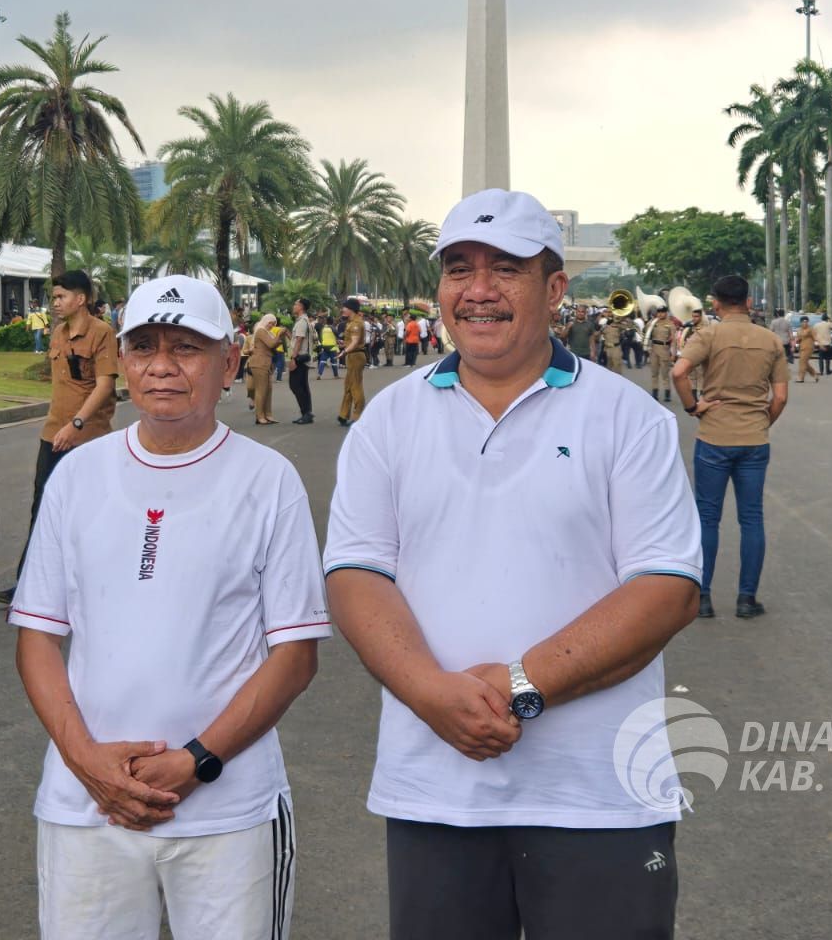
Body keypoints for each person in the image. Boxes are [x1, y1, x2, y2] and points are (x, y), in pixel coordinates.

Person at [325, 189, 700, 940]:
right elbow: (356, 574)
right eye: (459, 269)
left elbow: (667, 588)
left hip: (598, 795)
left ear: (555, 288)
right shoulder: (388, 421)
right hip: (436, 790)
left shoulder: (628, 419)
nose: (480, 290)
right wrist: (431, 693)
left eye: (507, 269)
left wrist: (521, 686)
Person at [10, 274, 328, 939]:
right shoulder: (78, 475)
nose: (162, 366)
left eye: (186, 348)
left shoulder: (267, 481)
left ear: (229, 361)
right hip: (85, 806)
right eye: (145, 346)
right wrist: (86, 763)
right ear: (123, 360)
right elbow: (38, 638)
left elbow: (295, 655)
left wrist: (197, 760)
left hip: (227, 809)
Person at [0, 269, 118, 605]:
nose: (56, 303)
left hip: (86, 436)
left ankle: (93, 581)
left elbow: (105, 385)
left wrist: (76, 424)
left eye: (61, 297)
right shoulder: (58, 333)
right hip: (54, 432)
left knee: (87, 512)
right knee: (43, 507)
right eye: (55, 297)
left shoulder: (102, 333)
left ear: (82, 299)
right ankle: (28, 584)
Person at [674, 275, 790, 620]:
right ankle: (746, 599)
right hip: (754, 439)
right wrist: (760, 422)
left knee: (707, 518)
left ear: (715, 304)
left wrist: (693, 407)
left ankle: (703, 598)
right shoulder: (770, 340)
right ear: (750, 302)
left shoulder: (707, 335)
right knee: (751, 518)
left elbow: (679, 372)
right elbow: (780, 396)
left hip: (713, 437)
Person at [337, 297, 366, 427]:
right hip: (352, 355)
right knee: (348, 385)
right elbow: (352, 341)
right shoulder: (351, 322)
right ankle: (343, 415)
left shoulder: (356, 323)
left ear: (351, 309)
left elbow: (355, 342)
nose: (343, 309)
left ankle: (358, 416)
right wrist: (344, 344)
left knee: (355, 386)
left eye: (345, 307)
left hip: (355, 356)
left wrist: (344, 351)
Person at [287, 297, 315, 424]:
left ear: (301, 307)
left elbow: (299, 340)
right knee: (302, 386)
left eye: (296, 304)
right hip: (303, 357)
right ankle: (307, 413)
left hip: (300, 358)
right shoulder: (303, 321)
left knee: (296, 385)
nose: (294, 306)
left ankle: (306, 413)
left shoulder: (302, 322)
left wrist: (293, 358)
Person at [248, 311, 279, 425]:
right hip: (259, 363)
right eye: (270, 323)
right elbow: (271, 344)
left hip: (266, 362)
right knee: (261, 390)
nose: (271, 326)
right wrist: (280, 335)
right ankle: (260, 416)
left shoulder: (267, 332)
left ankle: (268, 414)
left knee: (268, 389)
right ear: (265, 321)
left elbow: (274, 345)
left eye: (273, 324)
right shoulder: (261, 331)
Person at [646, 305, 676, 403]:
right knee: (654, 373)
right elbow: (646, 333)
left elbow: (674, 341)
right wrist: (649, 322)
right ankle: (655, 393)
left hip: (664, 350)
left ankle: (667, 394)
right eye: (658, 312)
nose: (660, 314)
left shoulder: (670, 324)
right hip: (654, 349)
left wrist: (674, 354)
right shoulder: (652, 323)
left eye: (662, 312)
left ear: (666, 313)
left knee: (665, 373)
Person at [794, 314, 819, 383]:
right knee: (804, 363)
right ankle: (814, 374)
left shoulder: (811, 329)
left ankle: (801, 377)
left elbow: (815, 337)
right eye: (803, 322)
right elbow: (798, 338)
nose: (805, 323)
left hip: (809, 347)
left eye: (806, 322)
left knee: (802, 362)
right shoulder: (799, 330)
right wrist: (796, 341)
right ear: (801, 322)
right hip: (801, 347)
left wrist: (819, 344)